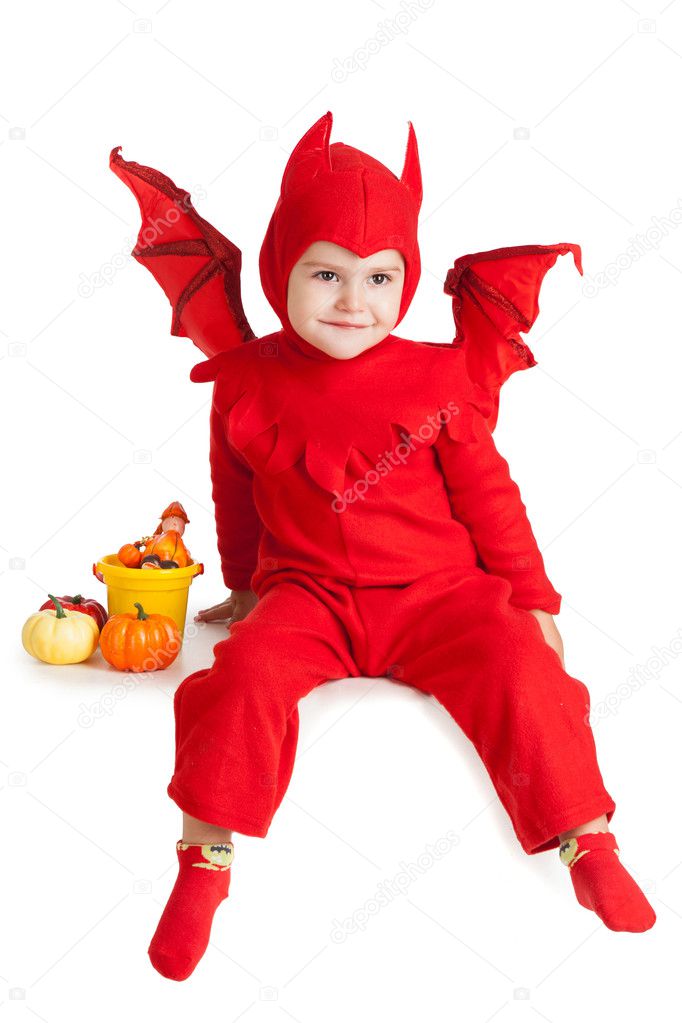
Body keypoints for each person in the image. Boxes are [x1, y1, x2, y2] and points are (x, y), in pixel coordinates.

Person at [111, 112, 655, 983]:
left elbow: (488, 494)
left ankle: (586, 837)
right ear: (279, 267)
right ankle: (203, 863)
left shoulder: (443, 376)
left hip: (442, 595)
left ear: (407, 279)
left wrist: (536, 597)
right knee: (239, 683)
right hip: (308, 597)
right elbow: (237, 492)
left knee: (525, 673)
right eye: (325, 274)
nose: (353, 301)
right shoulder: (246, 379)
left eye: (379, 276)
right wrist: (246, 586)